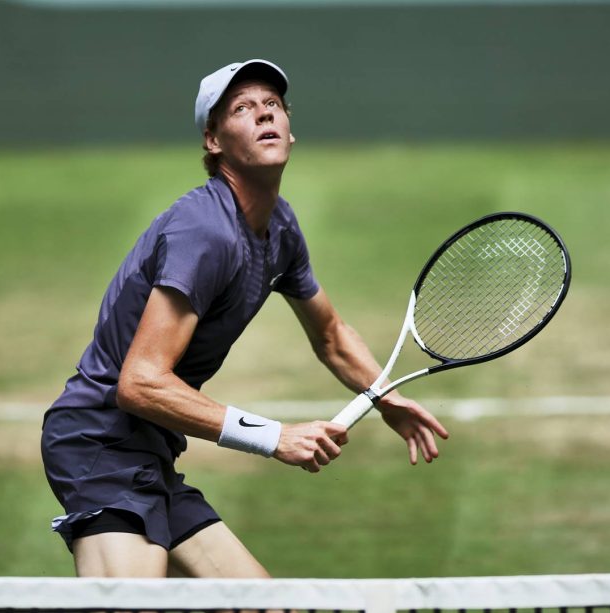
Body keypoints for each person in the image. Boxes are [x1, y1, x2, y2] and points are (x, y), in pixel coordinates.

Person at [41, 59, 449, 579]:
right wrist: (273, 437)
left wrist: (386, 398)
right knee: (133, 605)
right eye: (242, 108)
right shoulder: (203, 231)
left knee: (263, 606)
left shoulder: (280, 226)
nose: (264, 114)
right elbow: (139, 383)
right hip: (99, 444)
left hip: (150, 451)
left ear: (290, 130)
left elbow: (329, 334)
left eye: (272, 104)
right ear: (213, 141)